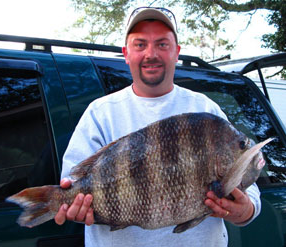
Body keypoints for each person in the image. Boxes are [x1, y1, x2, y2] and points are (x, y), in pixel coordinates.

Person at [54, 7, 261, 247]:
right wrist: (73, 205)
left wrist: (246, 210)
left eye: (162, 44)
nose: (151, 54)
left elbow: (250, 185)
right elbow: (73, 182)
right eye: (140, 45)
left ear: (176, 52)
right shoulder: (100, 114)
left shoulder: (206, 108)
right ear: (126, 54)